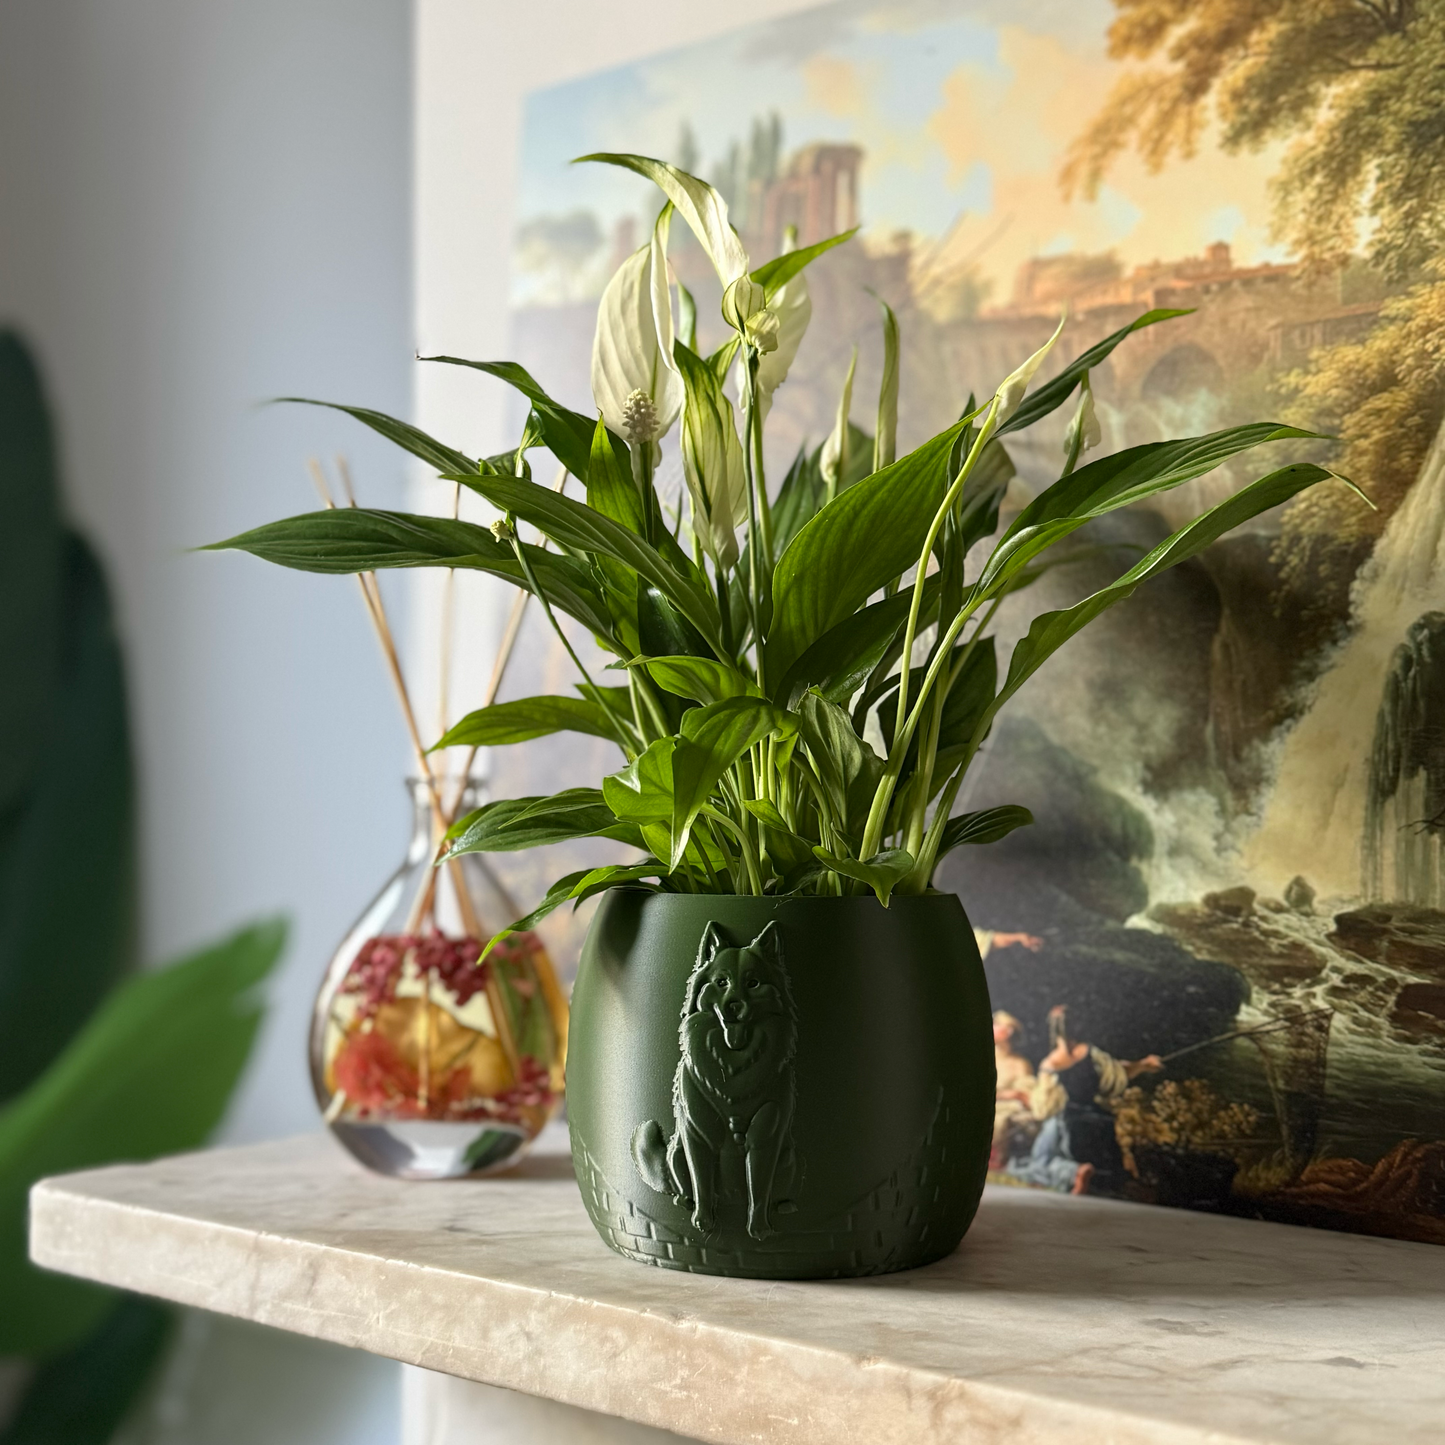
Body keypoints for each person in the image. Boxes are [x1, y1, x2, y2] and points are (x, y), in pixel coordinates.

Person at [1003, 1005, 1163, 1195]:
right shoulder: (1092, 1054)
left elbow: (1043, 1108)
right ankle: (1085, 1175)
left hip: (1066, 1123)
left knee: (1036, 1162)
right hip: (1097, 1122)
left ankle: (1074, 1173)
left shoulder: (1052, 1062)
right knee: (1106, 1173)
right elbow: (1119, 1071)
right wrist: (1144, 1064)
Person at [991, 1011, 1039, 1167]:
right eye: (994, 1023)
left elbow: (1025, 1095)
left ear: (1009, 1032)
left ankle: (997, 1160)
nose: (992, 1027)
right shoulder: (982, 1056)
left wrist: (1014, 1095)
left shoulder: (1019, 1064)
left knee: (1001, 1119)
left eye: (998, 1025)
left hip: (1005, 1110)